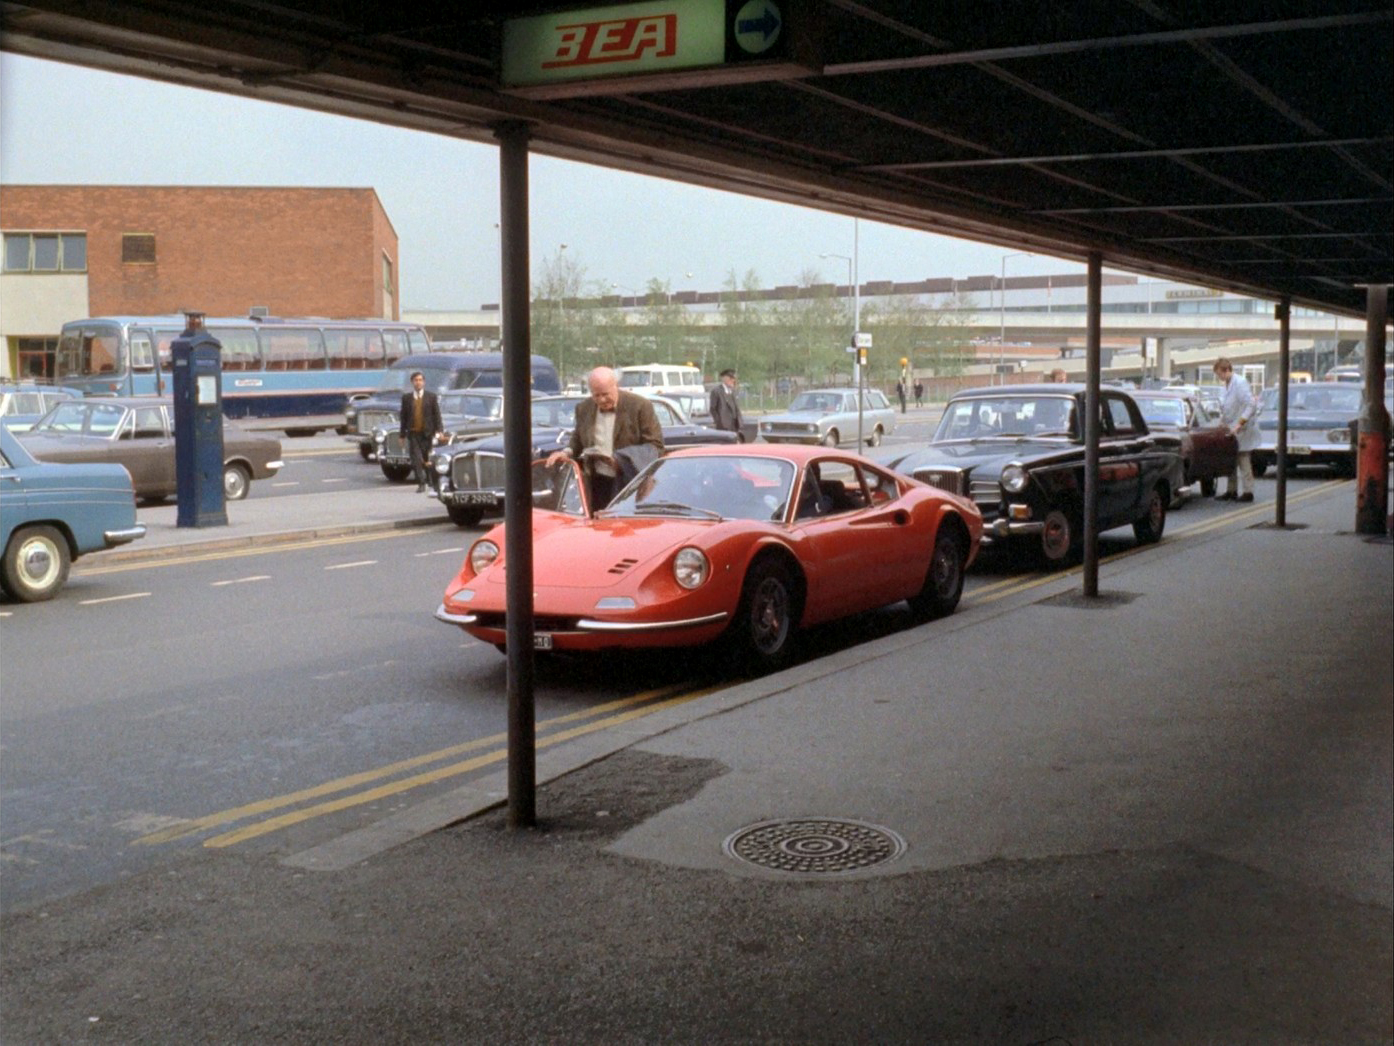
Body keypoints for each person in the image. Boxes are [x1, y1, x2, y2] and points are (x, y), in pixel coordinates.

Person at [547, 366, 663, 509]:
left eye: (605, 394)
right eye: (596, 395)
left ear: (616, 386)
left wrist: (621, 460)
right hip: (596, 481)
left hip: (629, 482)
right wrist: (566, 452)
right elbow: (578, 437)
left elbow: (655, 446)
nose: (601, 400)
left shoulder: (640, 406)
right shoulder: (584, 408)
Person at [1213, 357, 1258, 502]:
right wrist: (1223, 422)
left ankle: (1248, 492)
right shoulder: (1226, 385)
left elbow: (1251, 405)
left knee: (1243, 458)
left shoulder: (1240, 383)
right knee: (1231, 458)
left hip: (1242, 428)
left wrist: (1240, 423)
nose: (1219, 377)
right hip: (1231, 426)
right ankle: (1231, 490)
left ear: (1226, 370)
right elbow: (1227, 407)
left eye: (1219, 374)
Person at [399, 370, 443, 492]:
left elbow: (437, 415)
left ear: (423, 382)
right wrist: (402, 435)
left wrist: (439, 430)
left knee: (427, 459)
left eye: (420, 380)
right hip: (413, 434)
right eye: (416, 380)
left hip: (427, 433)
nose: (418, 383)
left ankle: (430, 479)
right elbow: (403, 417)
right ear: (412, 382)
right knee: (416, 459)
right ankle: (421, 483)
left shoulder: (431, 397)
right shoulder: (407, 398)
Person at [709, 368, 743, 437]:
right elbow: (713, 409)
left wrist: (739, 421)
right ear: (725, 379)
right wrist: (719, 422)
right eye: (731, 378)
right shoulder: (716, 391)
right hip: (723, 426)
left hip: (735, 425)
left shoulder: (732, 391)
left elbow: (736, 407)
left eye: (733, 378)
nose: (733, 380)